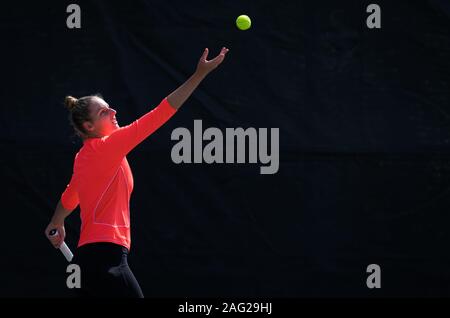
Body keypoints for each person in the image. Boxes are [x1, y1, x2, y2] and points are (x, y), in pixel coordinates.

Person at [44, 47, 229, 297]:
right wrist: (199, 74)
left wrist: (57, 221)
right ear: (89, 126)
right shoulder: (108, 146)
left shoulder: (83, 158)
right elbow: (161, 113)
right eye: (104, 113)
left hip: (85, 264)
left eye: (110, 108)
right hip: (107, 261)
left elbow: (70, 197)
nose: (114, 112)